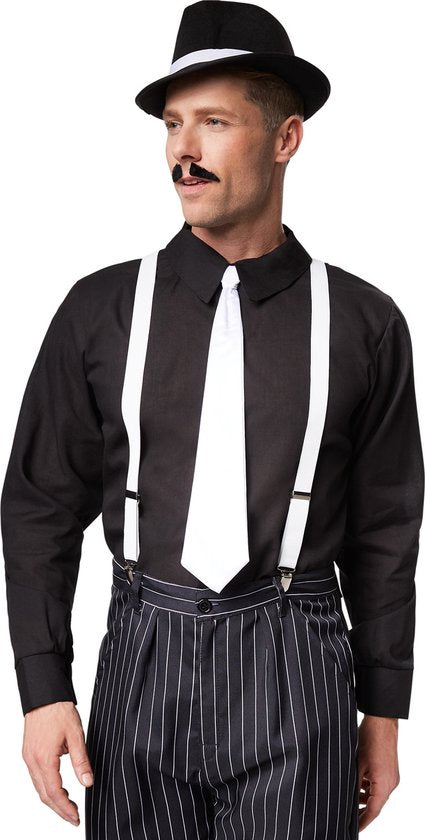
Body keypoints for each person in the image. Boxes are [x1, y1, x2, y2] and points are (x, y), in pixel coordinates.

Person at [1, 2, 423, 838]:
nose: (182, 151)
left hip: (298, 668)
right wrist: (44, 689)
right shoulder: (100, 309)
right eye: (172, 125)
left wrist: (382, 711)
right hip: (141, 660)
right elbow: (39, 505)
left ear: (285, 138)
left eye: (214, 122)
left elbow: (384, 528)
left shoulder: (364, 322)